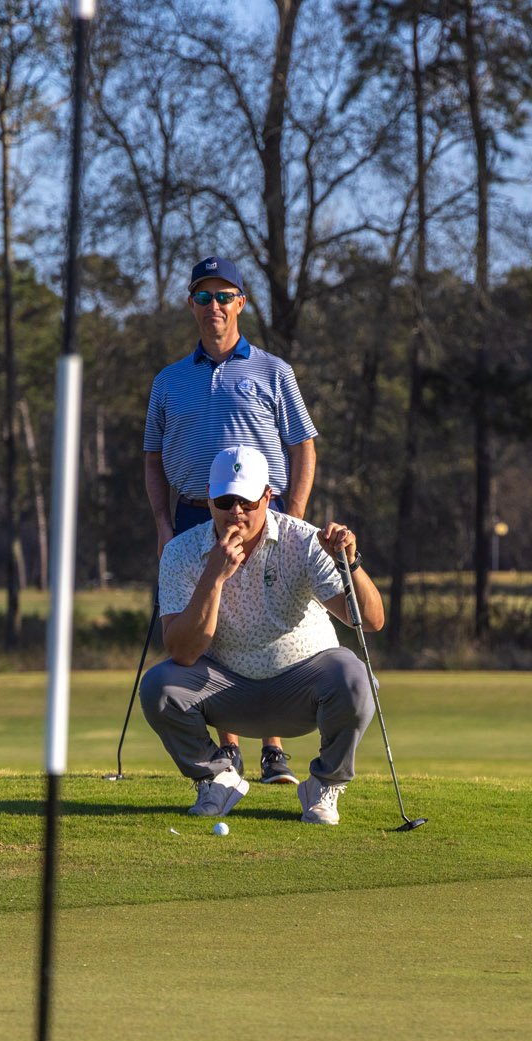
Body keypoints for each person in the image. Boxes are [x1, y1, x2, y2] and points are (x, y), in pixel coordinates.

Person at [142, 254, 319, 786]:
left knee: (268, 618)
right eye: (204, 296)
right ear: (191, 304)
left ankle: (273, 750)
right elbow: (152, 457)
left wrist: (293, 516)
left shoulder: (273, 371)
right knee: (211, 623)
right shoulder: (168, 381)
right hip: (195, 513)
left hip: (263, 513)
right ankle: (229, 748)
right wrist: (162, 524)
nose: (213, 306)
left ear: (241, 303)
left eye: (224, 296)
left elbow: (303, 446)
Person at [141, 446, 384, 826]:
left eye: (247, 501)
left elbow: (369, 621)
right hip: (226, 691)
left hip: (302, 686)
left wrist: (349, 563)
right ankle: (217, 779)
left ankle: (323, 785)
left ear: (268, 497)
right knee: (159, 686)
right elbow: (182, 652)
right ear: (209, 499)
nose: (236, 511)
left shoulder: (304, 540)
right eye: (225, 501)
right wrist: (213, 577)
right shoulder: (180, 552)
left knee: (355, 677)